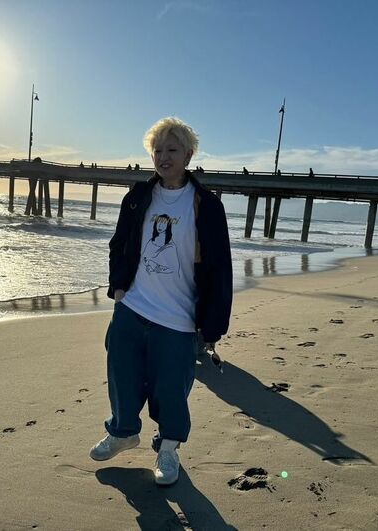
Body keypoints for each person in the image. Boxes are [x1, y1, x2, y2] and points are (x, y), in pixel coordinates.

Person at [90, 117, 233, 486]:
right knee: (121, 373)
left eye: (172, 149)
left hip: (178, 317)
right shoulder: (138, 197)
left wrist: (213, 325)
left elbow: (219, 267)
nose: (163, 157)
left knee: (171, 388)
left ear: (188, 155)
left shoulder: (207, 205)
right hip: (133, 305)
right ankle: (123, 432)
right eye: (157, 150)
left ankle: (168, 449)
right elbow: (119, 244)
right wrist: (118, 289)